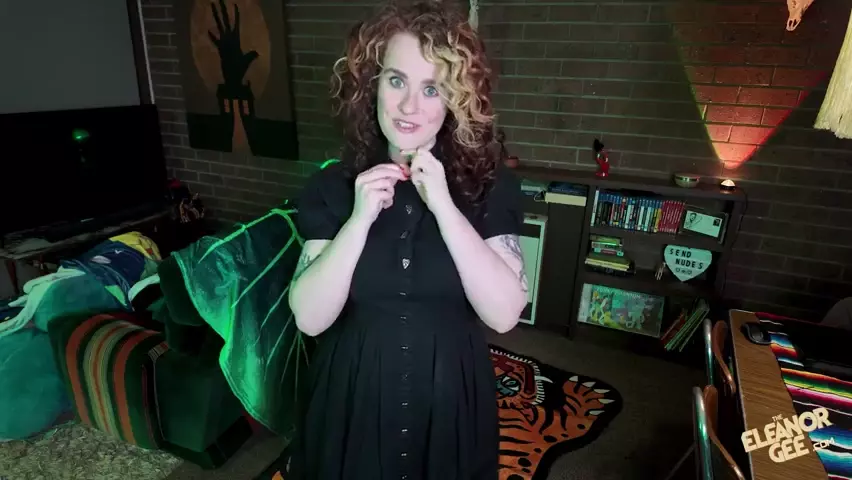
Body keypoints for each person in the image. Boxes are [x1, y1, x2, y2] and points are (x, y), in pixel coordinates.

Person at [285, 1, 528, 478]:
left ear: (455, 98)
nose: (409, 106)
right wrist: (358, 221)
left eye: (431, 88)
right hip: (351, 399)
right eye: (396, 81)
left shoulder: (490, 187)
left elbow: (503, 315)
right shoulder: (332, 186)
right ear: (372, 85)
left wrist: (445, 207)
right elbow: (310, 319)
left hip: (450, 401)